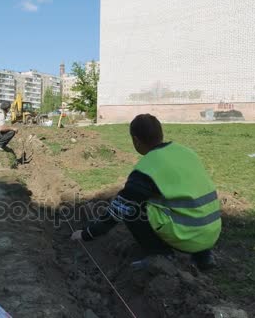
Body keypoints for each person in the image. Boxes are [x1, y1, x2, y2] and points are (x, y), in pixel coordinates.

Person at [70, 114, 221, 270]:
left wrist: (86, 234)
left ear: (136, 140)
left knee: (131, 208)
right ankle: (203, 257)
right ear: (161, 134)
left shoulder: (146, 170)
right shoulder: (186, 152)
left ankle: (160, 254)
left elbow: (117, 210)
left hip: (187, 237)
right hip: (211, 232)